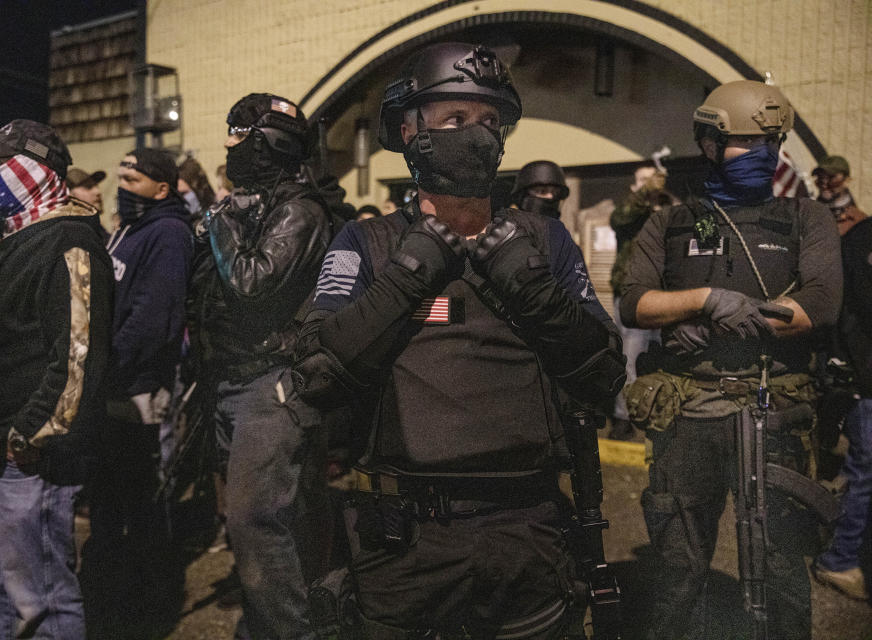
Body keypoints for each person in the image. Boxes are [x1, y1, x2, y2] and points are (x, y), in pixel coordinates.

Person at [292, 42, 625, 638]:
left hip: (529, 533)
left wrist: (531, 288)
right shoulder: (364, 242)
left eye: (491, 121)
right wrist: (411, 272)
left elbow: (602, 373)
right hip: (407, 543)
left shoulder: (543, 242)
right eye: (455, 119)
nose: (477, 136)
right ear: (409, 129)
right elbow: (317, 373)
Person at [618, 80, 842, 639]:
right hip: (688, 417)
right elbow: (633, 302)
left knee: (780, 568)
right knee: (677, 566)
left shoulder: (805, 218)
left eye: (772, 142)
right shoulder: (672, 221)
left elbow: (818, 306)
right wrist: (700, 302)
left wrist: (717, 322)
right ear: (711, 145)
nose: (762, 154)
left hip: (774, 415)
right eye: (747, 142)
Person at [0, 119, 113, 639]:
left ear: (36, 171)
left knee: (40, 598)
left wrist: (31, 433)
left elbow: (79, 357)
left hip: (27, 456)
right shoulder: (13, 237)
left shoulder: (67, 243)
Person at [187, 92, 333, 639]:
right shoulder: (258, 205)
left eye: (237, 136)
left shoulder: (300, 209)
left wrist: (217, 218)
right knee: (270, 521)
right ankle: (267, 624)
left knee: (255, 524)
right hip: (231, 379)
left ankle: (291, 632)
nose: (228, 147)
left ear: (267, 145)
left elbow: (252, 284)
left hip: (269, 385)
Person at [84, 147, 193, 634]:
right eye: (121, 175)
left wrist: (105, 368)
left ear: (162, 189)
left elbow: (152, 318)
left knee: (140, 499)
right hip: (112, 383)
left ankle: (149, 603)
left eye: (134, 178)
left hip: (138, 388)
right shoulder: (127, 230)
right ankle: (114, 592)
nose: (123, 184)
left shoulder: (168, 232)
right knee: (110, 499)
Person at [812, 172, 872, 601]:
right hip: (859, 374)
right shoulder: (856, 235)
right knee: (863, 468)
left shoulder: (859, 226)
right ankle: (838, 557)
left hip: (854, 368)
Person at [608, 164, 677, 439]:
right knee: (630, 359)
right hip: (632, 295)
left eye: (653, 179)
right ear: (634, 187)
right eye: (643, 181)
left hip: (665, 295)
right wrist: (647, 193)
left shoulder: (667, 208)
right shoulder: (629, 213)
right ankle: (623, 418)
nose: (651, 184)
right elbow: (622, 217)